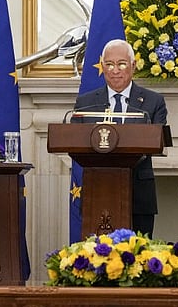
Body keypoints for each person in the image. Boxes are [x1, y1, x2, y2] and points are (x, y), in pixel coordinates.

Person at [72, 39, 168, 236]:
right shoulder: (85, 102)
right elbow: (75, 140)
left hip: (139, 196)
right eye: (109, 64)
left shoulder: (153, 101)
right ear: (102, 66)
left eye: (122, 64)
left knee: (139, 259)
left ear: (133, 66)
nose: (115, 70)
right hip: (97, 193)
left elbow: (156, 140)